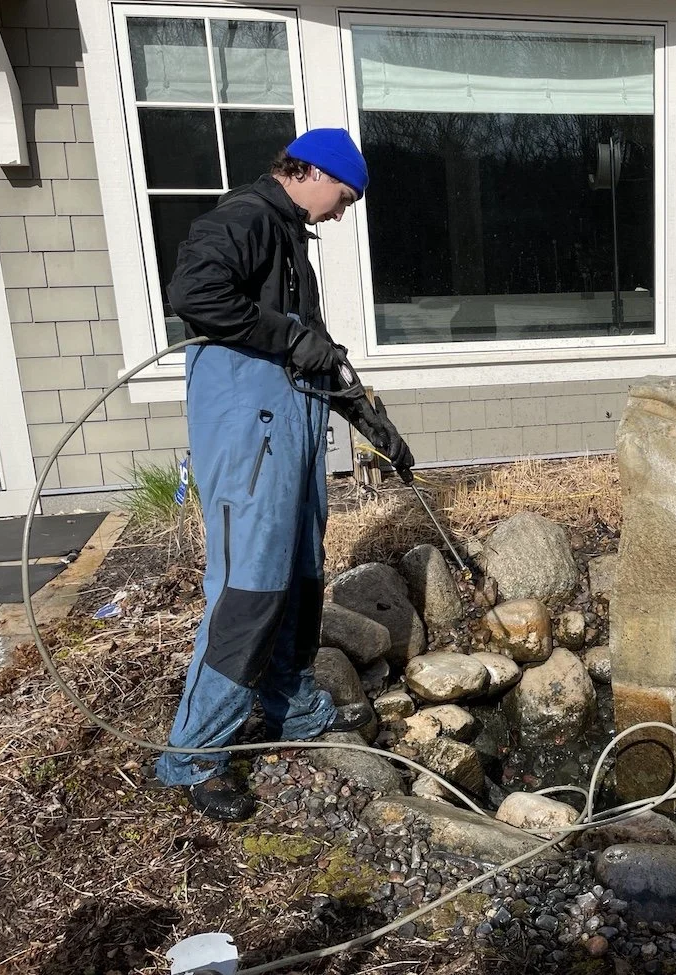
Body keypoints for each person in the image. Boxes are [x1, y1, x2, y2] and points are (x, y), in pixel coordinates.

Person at [157, 128, 415, 821]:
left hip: (292, 437)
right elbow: (194, 291)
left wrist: (377, 427)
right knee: (248, 590)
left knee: (301, 574)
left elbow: (316, 355)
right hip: (249, 437)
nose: (343, 211)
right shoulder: (246, 218)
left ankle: (287, 701)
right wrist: (290, 336)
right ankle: (196, 754)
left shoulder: (292, 239)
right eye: (344, 196)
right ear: (314, 171)